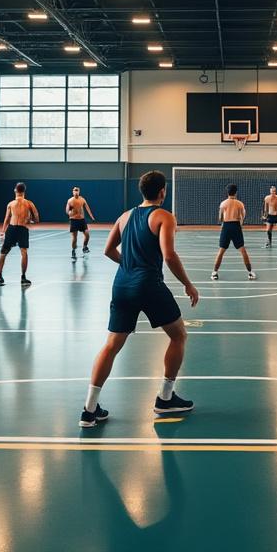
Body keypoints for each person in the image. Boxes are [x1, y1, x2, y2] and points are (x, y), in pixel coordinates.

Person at [80, 170, 200, 428]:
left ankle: (89, 410)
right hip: (149, 285)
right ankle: (165, 398)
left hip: (121, 284)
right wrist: (188, 284)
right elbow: (168, 256)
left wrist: (130, 265)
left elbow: (108, 249)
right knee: (178, 335)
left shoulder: (124, 216)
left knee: (111, 345)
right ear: (162, 192)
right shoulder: (164, 217)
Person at [0, 182, 39, 287]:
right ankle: (23, 278)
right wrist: (30, 220)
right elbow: (37, 218)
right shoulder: (29, 203)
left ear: (15, 190)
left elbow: (6, 219)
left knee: (3, 252)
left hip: (11, 229)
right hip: (22, 229)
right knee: (24, 253)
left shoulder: (10, 204)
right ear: (24, 191)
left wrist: (3, 232)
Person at [212, 184, 256, 280]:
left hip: (226, 226)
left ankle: (214, 272)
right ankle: (250, 272)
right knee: (243, 250)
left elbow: (220, 218)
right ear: (236, 193)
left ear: (227, 192)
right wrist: (239, 223)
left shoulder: (223, 204)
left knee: (221, 251)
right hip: (236, 226)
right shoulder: (240, 204)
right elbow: (242, 216)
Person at [66, 186, 96, 261]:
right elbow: (67, 210)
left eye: (77, 190)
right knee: (74, 238)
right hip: (74, 220)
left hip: (82, 220)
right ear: (72, 192)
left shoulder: (82, 199)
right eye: (74, 190)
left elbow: (87, 208)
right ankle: (73, 250)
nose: (76, 191)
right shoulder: (70, 201)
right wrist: (70, 213)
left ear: (79, 191)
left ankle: (84, 247)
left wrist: (91, 216)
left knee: (87, 235)